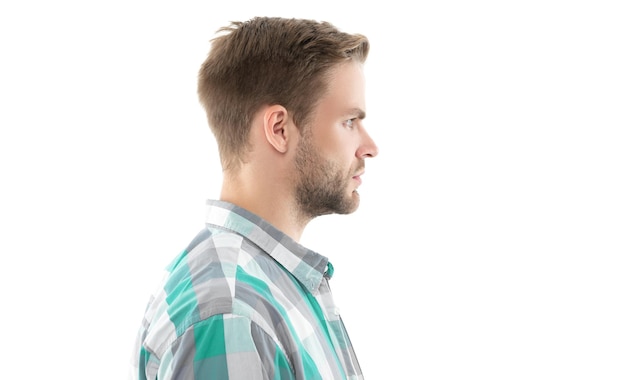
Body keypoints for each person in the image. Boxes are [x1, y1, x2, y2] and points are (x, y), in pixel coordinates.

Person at [129, 16, 378, 380]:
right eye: (349, 122)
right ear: (279, 129)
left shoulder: (271, 285)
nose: (370, 147)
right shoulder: (232, 313)